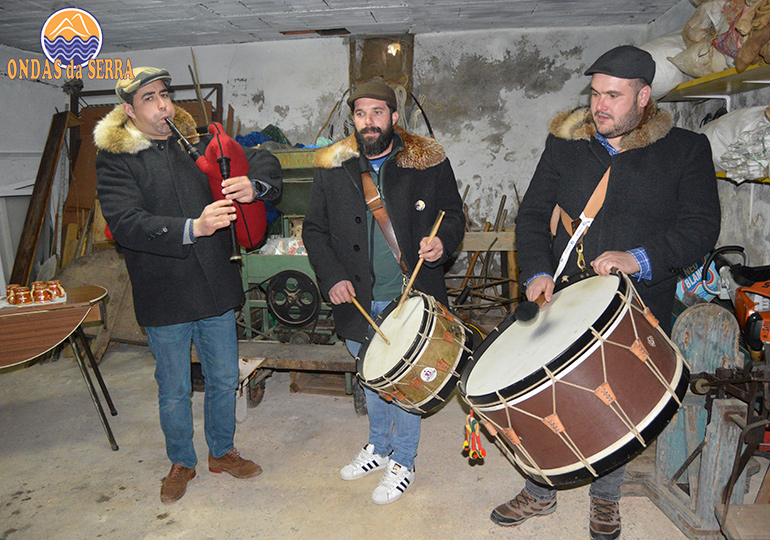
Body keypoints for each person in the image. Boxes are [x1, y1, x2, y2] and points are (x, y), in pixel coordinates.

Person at [496, 46, 721, 539]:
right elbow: (533, 215)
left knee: (612, 401)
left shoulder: (685, 150)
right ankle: (540, 490)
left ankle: (606, 497)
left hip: (637, 299)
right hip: (565, 292)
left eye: (613, 96)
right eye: (596, 94)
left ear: (644, 97)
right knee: (542, 391)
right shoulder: (565, 145)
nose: (600, 106)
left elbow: (701, 228)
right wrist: (535, 271)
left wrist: (637, 258)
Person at [94, 67, 282, 504]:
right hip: (164, 289)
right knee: (175, 387)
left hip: (214, 284)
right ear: (128, 109)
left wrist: (252, 185)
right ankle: (182, 460)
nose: (162, 106)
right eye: (148, 99)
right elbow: (125, 223)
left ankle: (222, 452)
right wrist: (192, 227)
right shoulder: (116, 159)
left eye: (165, 95)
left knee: (221, 378)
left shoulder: (193, 142)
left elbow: (263, 155)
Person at [302, 80, 464, 505]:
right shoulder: (331, 166)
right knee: (372, 377)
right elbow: (314, 230)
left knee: (406, 379)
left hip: (411, 293)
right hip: (356, 295)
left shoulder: (426, 162)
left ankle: (404, 460)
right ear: (352, 119)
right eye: (361, 113)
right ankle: (378, 446)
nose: (369, 121)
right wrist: (331, 276)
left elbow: (453, 215)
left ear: (393, 118)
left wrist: (441, 242)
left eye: (378, 112)